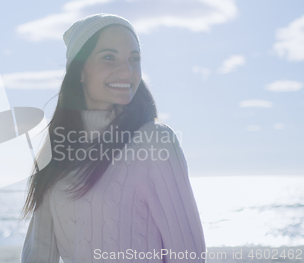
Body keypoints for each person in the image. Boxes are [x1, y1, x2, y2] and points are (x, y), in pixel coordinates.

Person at [20, 13, 206, 263]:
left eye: (134, 59)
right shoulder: (55, 149)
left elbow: (188, 253)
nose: (127, 70)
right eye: (109, 57)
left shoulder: (155, 141)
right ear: (80, 71)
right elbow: (39, 251)